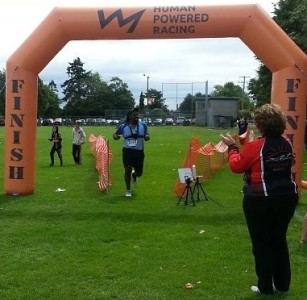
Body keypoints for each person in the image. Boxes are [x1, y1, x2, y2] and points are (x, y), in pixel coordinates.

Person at [220, 104, 298, 295]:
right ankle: (283, 284)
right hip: (287, 197)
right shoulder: (286, 142)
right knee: (278, 240)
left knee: (261, 243)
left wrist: (232, 147)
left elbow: (237, 166)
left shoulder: (255, 146)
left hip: (260, 199)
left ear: (261, 124)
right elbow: (290, 161)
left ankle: (265, 287)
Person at [113, 108, 150, 197]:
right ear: (129, 116)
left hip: (139, 151)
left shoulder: (143, 125)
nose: (137, 116)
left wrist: (147, 137)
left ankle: (135, 175)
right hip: (127, 151)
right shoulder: (123, 126)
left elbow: (147, 135)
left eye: (137, 115)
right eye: (134, 115)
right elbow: (115, 134)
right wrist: (116, 137)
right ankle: (128, 189)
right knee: (127, 169)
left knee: (139, 173)